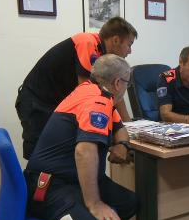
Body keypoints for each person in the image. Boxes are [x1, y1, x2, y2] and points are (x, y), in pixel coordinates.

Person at [24, 54, 138, 220]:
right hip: (49, 185)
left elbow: (121, 129)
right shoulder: (96, 101)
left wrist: (122, 145)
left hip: (71, 179)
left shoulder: (94, 92)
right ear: (118, 82)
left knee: (130, 202)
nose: (127, 88)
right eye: (128, 83)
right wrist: (94, 204)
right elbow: (84, 151)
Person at [16, 17, 137, 160]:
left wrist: (127, 124)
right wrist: (117, 126)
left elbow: (114, 92)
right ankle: (33, 181)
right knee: (40, 155)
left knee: (58, 155)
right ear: (116, 40)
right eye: (129, 44)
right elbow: (89, 95)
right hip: (37, 101)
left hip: (54, 102)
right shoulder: (88, 42)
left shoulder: (106, 58)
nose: (130, 51)